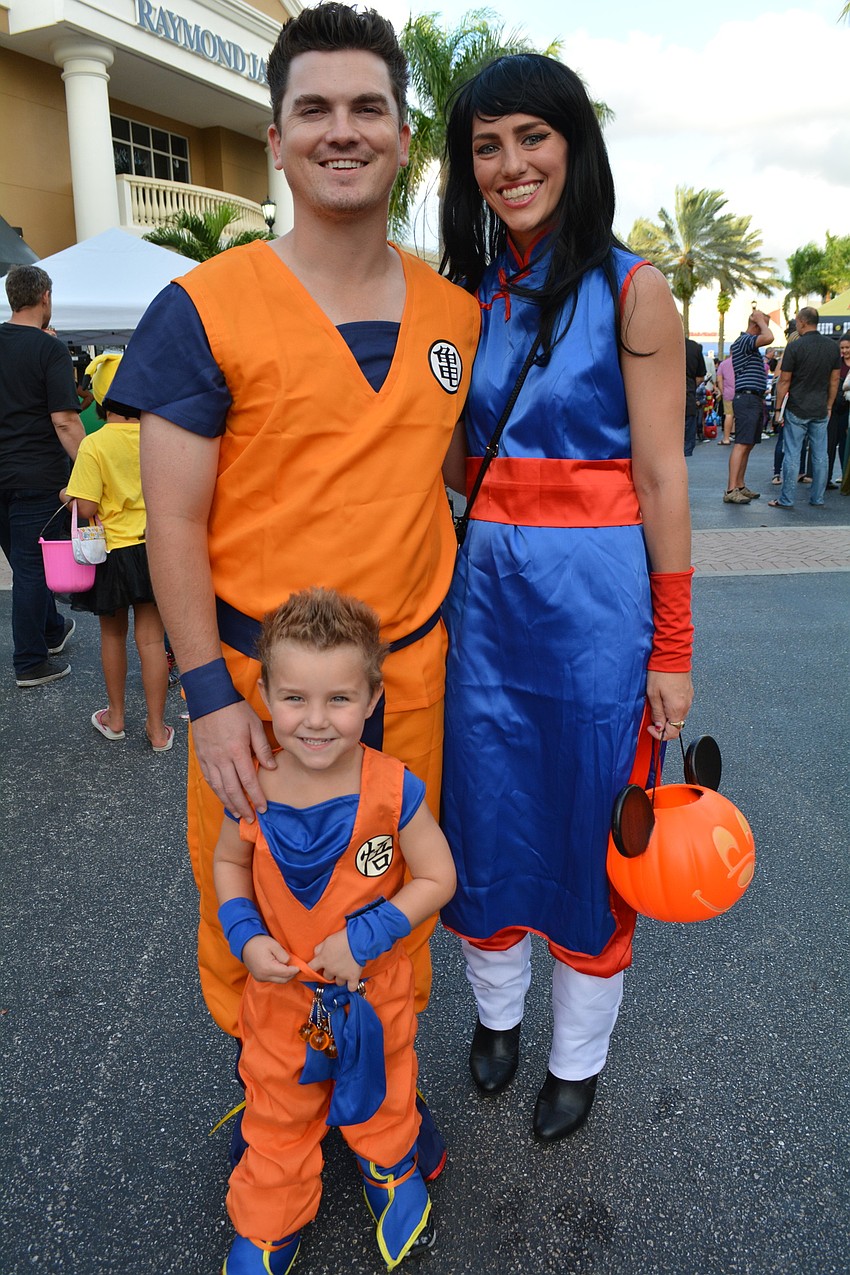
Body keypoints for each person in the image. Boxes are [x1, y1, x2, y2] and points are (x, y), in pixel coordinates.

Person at [107, 3, 479, 1037]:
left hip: (405, 679)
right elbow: (171, 525)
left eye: (369, 107)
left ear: (404, 138)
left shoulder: (457, 315)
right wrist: (211, 699)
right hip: (263, 693)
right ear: (276, 141)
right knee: (256, 901)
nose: (342, 129)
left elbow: (453, 479)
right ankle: (273, 1093)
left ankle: (382, 1094)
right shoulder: (203, 307)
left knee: (393, 890)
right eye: (313, 109)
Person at [438, 54, 693, 1142]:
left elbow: (662, 477)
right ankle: (496, 1018)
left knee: (596, 824)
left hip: (596, 612)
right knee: (483, 815)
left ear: (574, 145)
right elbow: (450, 465)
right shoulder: (455, 296)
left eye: (531, 137)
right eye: (487, 145)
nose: (510, 164)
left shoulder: (635, 289)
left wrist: (672, 644)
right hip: (482, 602)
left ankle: (575, 1056)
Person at [213, 587, 456, 1274]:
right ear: (263, 692)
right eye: (294, 698)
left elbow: (438, 877)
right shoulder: (252, 781)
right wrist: (244, 934)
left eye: (339, 700)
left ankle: (387, 1165)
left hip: (371, 994)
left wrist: (369, 934)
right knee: (278, 1114)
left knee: (384, 1089)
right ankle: (268, 1213)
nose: (316, 721)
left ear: (373, 699)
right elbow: (229, 862)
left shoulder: (393, 787)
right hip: (281, 1003)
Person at [60, 353, 173, 751]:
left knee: (112, 635)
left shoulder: (94, 444)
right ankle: (158, 730)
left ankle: (117, 718)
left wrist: (66, 495)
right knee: (151, 638)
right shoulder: (160, 439)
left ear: (101, 396)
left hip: (111, 552)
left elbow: (86, 508)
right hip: (155, 548)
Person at [0, 264, 83, 686]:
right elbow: (65, 420)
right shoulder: (48, 350)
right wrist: (90, 469)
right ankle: (30, 662)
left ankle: (51, 630)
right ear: (45, 297)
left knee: (23, 559)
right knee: (32, 569)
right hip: (34, 473)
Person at [768, 307, 842, 509]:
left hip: (797, 407)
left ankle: (787, 499)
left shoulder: (795, 347)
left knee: (792, 453)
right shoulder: (832, 347)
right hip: (820, 407)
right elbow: (834, 380)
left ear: (802, 322)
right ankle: (817, 498)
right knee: (821, 455)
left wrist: (777, 410)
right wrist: (828, 405)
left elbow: (784, 381)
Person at [724, 310, 773, 504]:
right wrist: (761, 321)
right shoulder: (744, 341)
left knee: (748, 444)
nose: (764, 329)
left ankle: (739, 485)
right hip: (746, 398)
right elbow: (769, 336)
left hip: (752, 399)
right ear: (756, 325)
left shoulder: (748, 345)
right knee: (742, 444)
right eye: (762, 325)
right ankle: (730, 489)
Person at [825, 333, 849, 490]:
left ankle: (846, 478)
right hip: (834, 407)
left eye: (847, 347)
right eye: (842, 348)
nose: (845, 351)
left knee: (846, 445)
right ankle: (826, 478)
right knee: (831, 444)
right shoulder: (836, 363)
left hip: (848, 408)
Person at [684, 337, 707, 455]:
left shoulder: (658, 344)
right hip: (687, 398)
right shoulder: (694, 347)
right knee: (686, 447)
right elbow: (700, 376)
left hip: (662, 403)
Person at [715, 352, 735, 445]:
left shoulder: (723, 364)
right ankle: (737, 434)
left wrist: (722, 391)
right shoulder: (743, 362)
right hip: (742, 392)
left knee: (729, 414)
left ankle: (726, 438)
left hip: (728, 392)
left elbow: (719, 379)